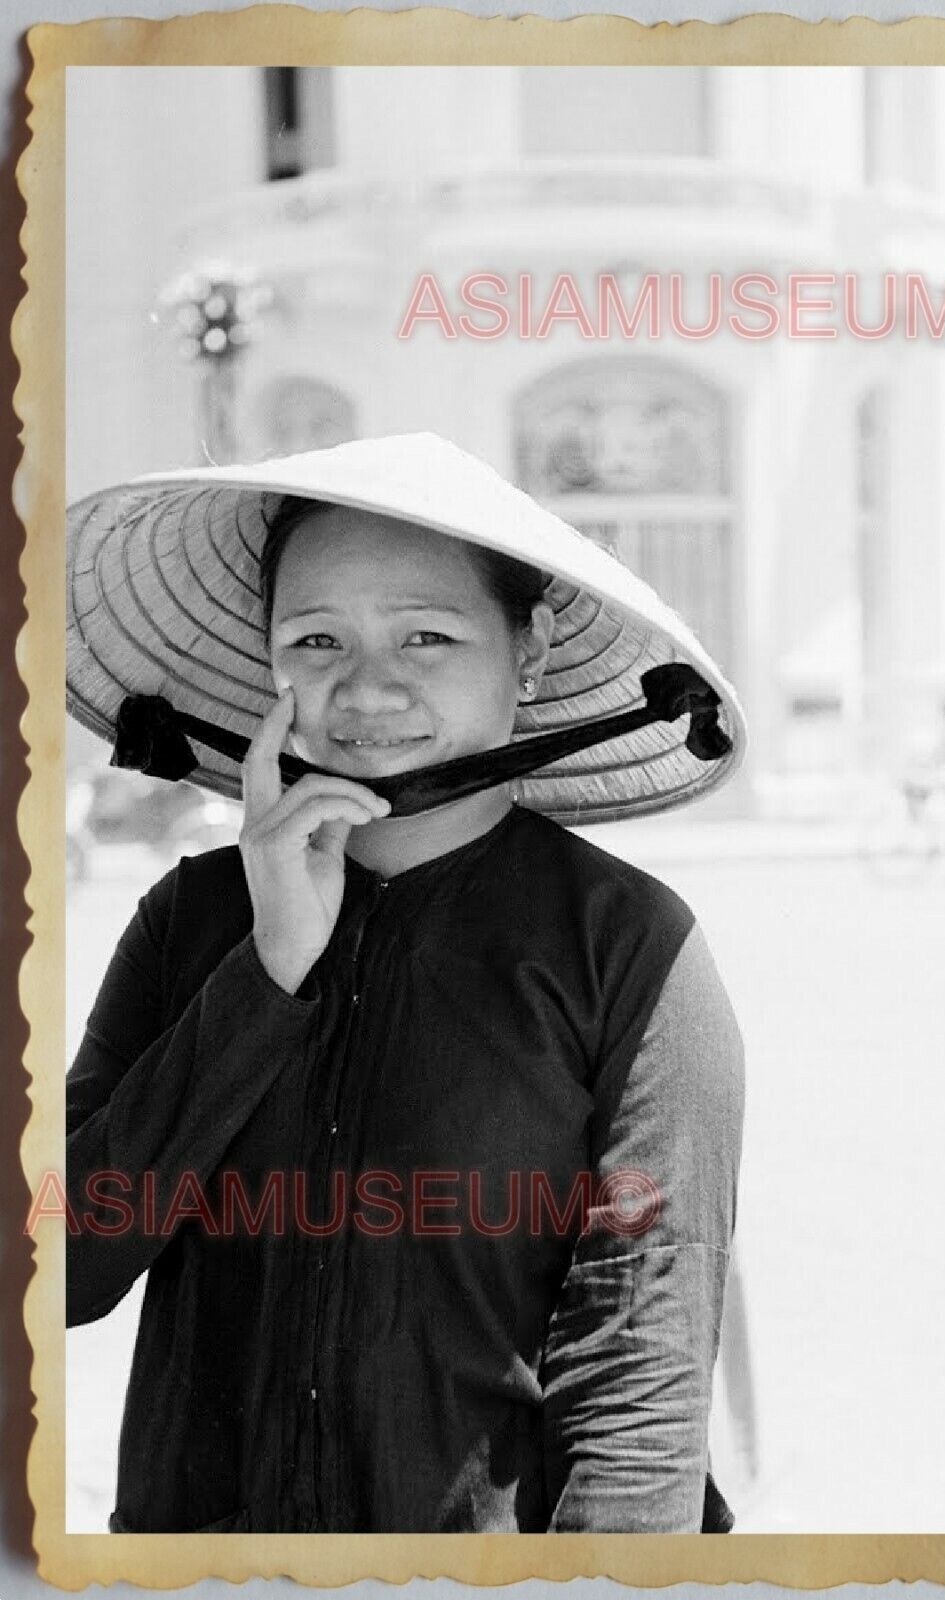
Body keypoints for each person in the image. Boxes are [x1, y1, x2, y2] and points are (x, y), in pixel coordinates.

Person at [65, 432, 747, 1535]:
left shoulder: (627, 948)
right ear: (270, 660)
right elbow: (61, 1268)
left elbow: (638, 1375)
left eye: (426, 635)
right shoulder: (186, 921)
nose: (367, 685)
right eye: (317, 637)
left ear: (526, 657)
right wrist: (267, 970)